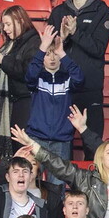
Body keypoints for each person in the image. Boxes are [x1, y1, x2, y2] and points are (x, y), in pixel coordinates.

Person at [46, 0, 109, 146]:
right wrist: (64, 38)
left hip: (89, 87)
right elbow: (49, 49)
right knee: (59, 144)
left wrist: (75, 33)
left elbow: (98, 48)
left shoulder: (102, 11)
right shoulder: (58, 12)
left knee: (92, 144)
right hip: (61, 85)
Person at [24, 25, 84, 164]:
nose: (52, 57)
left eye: (55, 54)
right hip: (36, 138)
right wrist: (42, 47)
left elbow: (80, 79)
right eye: (47, 54)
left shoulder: (67, 78)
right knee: (33, 181)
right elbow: (30, 76)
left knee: (58, 185)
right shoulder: (37, 77)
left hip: (61, 141)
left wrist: (62, 53)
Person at [0, 5, 41, 150]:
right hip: (16, 101)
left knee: (22, 147)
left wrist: (3, 60)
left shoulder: (34, 42)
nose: (5, 28)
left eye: (8, 24)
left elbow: (28, 72)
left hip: (26, 102)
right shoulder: (13, 43)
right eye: (4, 25)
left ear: (19, 21)